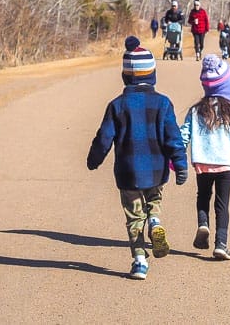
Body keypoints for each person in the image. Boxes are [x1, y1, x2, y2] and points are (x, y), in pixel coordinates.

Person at [87, 36, 188, 280]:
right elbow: (173, 137)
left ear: (126, 76)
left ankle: (140, 261)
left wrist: (94, 159)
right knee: (154, 199)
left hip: (128, 171)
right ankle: (154, 221)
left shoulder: (117, 105)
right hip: (156, 169)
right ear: (152, 74)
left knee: (134, 217)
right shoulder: (163, 103)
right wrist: (181, 164)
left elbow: (104, 137)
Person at [180, 55, 230, 261]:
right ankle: (221, 243)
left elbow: (184, 134)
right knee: (222, 203)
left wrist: (177, 155)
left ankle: (203, 224)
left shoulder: (196, 111)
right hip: (226, 164)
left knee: (203, 196)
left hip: (203, 162)